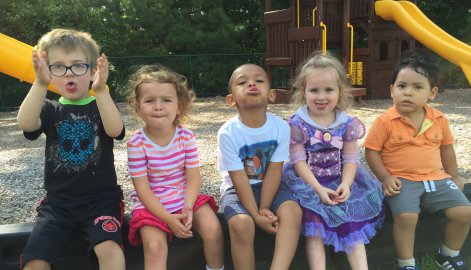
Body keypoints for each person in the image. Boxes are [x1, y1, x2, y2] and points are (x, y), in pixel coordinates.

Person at [16, 29, 126, 270]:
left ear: (93, 70)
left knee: (109, 249)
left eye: (78, 66)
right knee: (34, 260)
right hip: (57, 204)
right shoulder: (48, 108)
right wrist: (39, 83)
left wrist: (100, 90)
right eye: (58, 67)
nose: (69, 73)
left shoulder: (102, 104)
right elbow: (25, 123)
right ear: (49, 72)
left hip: (101, 201)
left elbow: (115, 130)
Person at [365, 50, 471, 270]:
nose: (408, 93)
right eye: (401, 86)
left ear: (432, 93)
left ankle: (448, 254)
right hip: (402, 180)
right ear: (391, 90)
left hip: (437, 178)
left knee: (464, 212)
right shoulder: (385, 121)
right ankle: (406, 263)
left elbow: (446, 149)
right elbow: (371, 152)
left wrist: (454, 176)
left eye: (417, 87)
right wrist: (385, 178)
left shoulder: (438, 119)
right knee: (406, 217)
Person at [281, 51, 386, 270]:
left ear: (340, 92)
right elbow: (298, 161)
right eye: (314, 90)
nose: (321, 96)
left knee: (352, 225)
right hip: (308, 182)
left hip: (340, 178)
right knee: (315, 229)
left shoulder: (346, 123)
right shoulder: (298, 123)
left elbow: (350, 158)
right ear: (304, 91)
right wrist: (318, 189)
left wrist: (346, 184)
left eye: (329, 89)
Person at [126, 65, 224, 270]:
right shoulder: (137, 143)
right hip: (152, 204)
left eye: (166, 100)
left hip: (185, 196)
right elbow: (142, 190)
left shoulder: (185, 137)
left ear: (179, 106)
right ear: (137, 108)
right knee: (154, 246)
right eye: (149, 100)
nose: (158, 106)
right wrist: (167, 218)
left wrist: (188, 205)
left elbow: (193, 177)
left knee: (213, 228)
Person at [218, 63, 302, 270]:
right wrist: (256, 216)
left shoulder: (281, 127)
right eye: (242, 82)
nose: (252, 83)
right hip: (237, 190)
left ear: (271, 95)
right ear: (231, 100)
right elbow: (238, 178)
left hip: (271, 185)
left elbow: (274, 171)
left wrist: (264, 207)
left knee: (292, 212)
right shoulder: (228, 133)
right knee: (241, 223)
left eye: (259, 80)